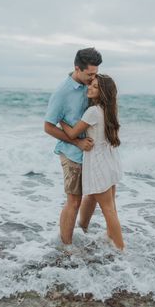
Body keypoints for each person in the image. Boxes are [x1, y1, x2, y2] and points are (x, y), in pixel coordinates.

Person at [44, 47, 102, 249]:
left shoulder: (92, 83)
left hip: (93, 152)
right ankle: (66, 248)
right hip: (72, 153)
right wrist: (76, 142)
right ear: (77, 68)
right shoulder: (62, 93)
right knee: (74, 201)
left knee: (95, 194)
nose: (94, 77)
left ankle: (82, 231)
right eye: (90, 74)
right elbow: (48, 126)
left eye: (95, 73)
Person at [60, 74, 124, 250]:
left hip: (98, 164)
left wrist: (60, 119)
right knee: (112, 208)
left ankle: (121, 249)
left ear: (102, 92)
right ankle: (112, 238)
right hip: (110, 161)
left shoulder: (93, 111)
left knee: (108, 210)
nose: (90, 88)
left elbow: (72, 134)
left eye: (95, 87)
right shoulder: (107, 109)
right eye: (91, 85)